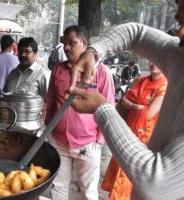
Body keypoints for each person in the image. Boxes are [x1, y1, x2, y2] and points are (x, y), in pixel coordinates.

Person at [69, 0, 184, 199]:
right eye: (179, 20)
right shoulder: (179, 55)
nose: (180, 33)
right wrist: (94, 52)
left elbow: (156, 183)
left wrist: (102, 108)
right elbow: (136, 32)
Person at [45, 25, 115, 200]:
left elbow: (108, 105)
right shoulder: (58, 70)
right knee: (58, 186)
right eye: (65, 43)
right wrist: (50, 131)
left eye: (72, 43)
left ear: (84, 43)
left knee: (88, 191)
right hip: (59, 141)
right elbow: (51, 101)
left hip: (88, 143)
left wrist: (99, 140)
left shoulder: (102, 72)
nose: (67, 47)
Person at [101, 62, 167, 199]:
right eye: (151, 59)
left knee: (129, 179)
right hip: (128, 132)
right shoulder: (141, 80)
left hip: (145, 142)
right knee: (120, 171)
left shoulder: (165, 86)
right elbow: (124, 100)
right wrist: (134, 106)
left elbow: (149, 114)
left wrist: (132, 105)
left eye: (157, 60)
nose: (153, 63)